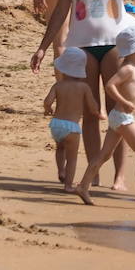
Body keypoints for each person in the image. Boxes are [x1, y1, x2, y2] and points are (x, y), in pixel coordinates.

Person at [31, 0, 134, 188]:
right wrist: (43, 47)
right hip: (82, 47)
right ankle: (95, 170)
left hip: (114, 46)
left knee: (117, 113)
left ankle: (120, 175)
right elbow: (62, 8)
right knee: (90, 113)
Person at [74, 22, 135, 206]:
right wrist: (125, 102)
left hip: (119, 117)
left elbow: (130, 90)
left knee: (104, 155)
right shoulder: (127, 69)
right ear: (134, 50)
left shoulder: (134, 68)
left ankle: (83, 186)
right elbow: (110, 86)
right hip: (123, 118)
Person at [44, 48, 99, 191]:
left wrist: (47, 109)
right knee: (72, 157)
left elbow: (47, 101)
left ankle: (60, 171)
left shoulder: (58, 85)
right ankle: (68, 185)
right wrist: (97, 112)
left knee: (60, 149)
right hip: (72, 127)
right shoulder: (84, 87)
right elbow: (92, 107)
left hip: (56, 124)